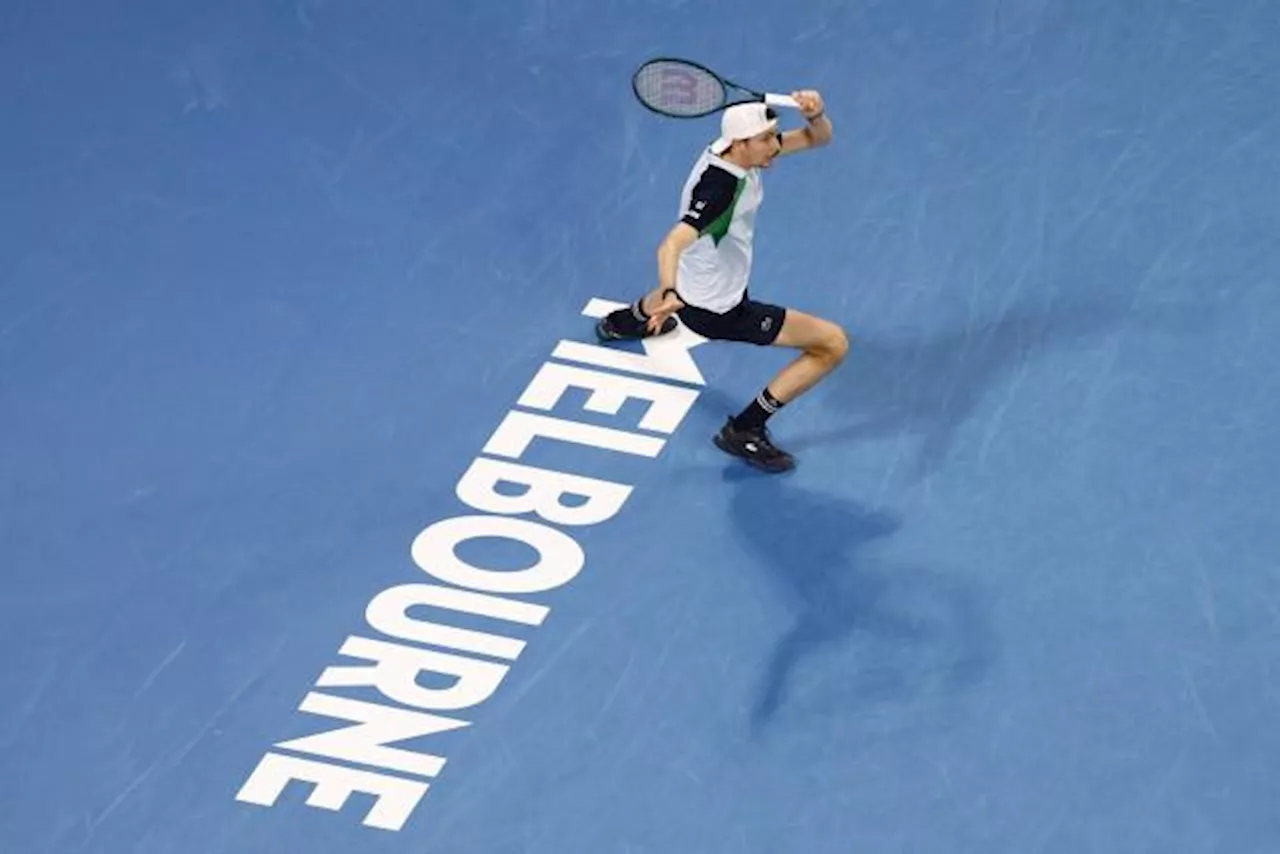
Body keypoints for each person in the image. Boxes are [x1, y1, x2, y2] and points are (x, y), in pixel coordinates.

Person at [595, 90, 848, 473]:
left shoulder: (729, 149)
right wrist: (668, 292)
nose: (774, 147)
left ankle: (623, 322)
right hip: (717, 307)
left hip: (697, 280)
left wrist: (816, 115)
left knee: (682, 290)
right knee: (831, 344)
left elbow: (819, 138)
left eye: (773, 136)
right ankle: (744, 428)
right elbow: (670, 245)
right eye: (766, 141)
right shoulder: (720, 191)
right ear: (740, 143)